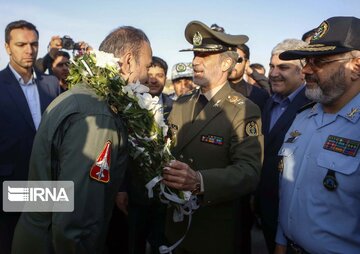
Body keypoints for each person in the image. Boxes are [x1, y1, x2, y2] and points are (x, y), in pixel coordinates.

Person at [11, 25, 153, 254]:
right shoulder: (98, 115)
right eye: (146, 66)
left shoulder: (77, 96)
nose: (147, 76)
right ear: (127, 62)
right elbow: (77, 219)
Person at [162, 20, 264, 254]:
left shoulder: (243, 109)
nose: (195, 61)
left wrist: (200, 181)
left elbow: (249, 172)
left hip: (212, 227)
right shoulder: (181, 103)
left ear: (227, 62)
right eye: (195, 54)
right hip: (174, 224)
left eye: (205, 56)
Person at [275, 16, 360, 254]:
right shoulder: (302, 118)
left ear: (356, 66)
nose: (307, 70)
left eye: (319, 62)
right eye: (306, 61)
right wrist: (281, 243)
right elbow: (289, 192)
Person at [0, 20, 59, 254]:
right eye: (21, 44)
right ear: (7, 47)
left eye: (33, 44)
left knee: (48, 243)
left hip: (50, 182)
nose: (29, 50)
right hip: (10, 184)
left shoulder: (52, 84)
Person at [255, 38, 311, 254]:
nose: (274, 73)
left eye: (283, 67)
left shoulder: (313, 105)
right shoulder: (270, 103)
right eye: (271, 66)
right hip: (267, 207)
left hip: (296, 214)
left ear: (302, 71)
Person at [229, 43, 270, 111]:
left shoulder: (259, 95)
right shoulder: (210, 90)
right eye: (229, 59)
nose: (233, 64)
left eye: (238, 60)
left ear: (246, 63)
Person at [146, 56, 173, 122]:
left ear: (165, 79)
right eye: (149, 75)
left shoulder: (175, 106)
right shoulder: (129, 103)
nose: (153, 81)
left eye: (159, 76)